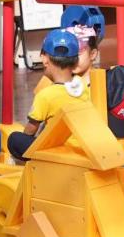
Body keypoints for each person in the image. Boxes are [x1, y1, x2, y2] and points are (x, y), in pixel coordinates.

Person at [7, 29, 90, 161]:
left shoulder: (45, 96)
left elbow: (30, 130)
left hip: (56, 153)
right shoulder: (83, 86)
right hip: (82, 149)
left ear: (44, 59)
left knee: (15, 139)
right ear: (75, 62)